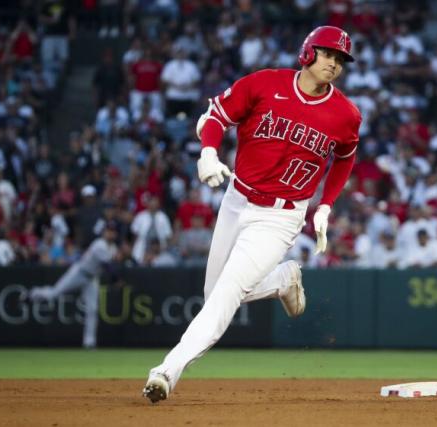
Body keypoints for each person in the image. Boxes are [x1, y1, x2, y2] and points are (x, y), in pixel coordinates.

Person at [143, 26, 361, 403]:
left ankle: (166, 371)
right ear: (308, 52)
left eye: (340, 59)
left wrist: (325, 205)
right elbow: (215, 116)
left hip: (280, 217)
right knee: (213, 293)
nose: (334, 64)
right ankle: (283, 279)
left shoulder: (345, 113)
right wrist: (208, 152)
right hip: (237, 199)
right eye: (328, 54)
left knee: (224, 297)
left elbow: (344, 157)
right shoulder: (264, 84)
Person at [26, 222, 120, 349]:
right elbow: (108, 267)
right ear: (104, 232)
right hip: (79, 273)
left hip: (91, 279)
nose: (110, 233)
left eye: (113, 231)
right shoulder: (100, 244)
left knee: (92, 310)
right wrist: (116, 280)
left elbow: (110, 266)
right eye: (108, 231)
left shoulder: (113, 247)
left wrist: (115, 279)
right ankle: (32, 294)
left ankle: (89, 343)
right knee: (54, 294)